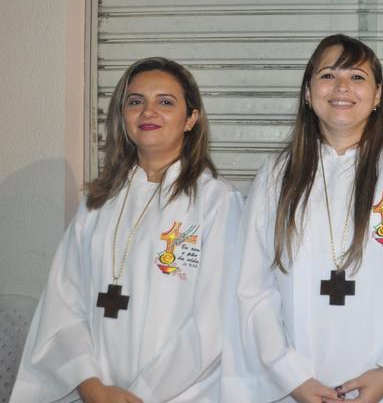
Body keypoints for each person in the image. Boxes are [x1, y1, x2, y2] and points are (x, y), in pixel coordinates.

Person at [221, 34, 383, 402]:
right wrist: (293, 379)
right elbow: (252, 288)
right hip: (297, 386)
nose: (342, 87)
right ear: (308, 93)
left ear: (377, 94)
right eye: (328, 75)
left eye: (357, 77)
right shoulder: (276, 174)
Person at [10, 57, 243, 403]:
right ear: (123, 116)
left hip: (182, 395)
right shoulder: (97, 204)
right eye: (135, 101)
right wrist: (90, 385)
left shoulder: (217, 203)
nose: (148, 111)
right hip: (96, 392)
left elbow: (214, 321)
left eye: (165, 102)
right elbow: (63, 305)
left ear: (191, 119)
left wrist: (142, 395)